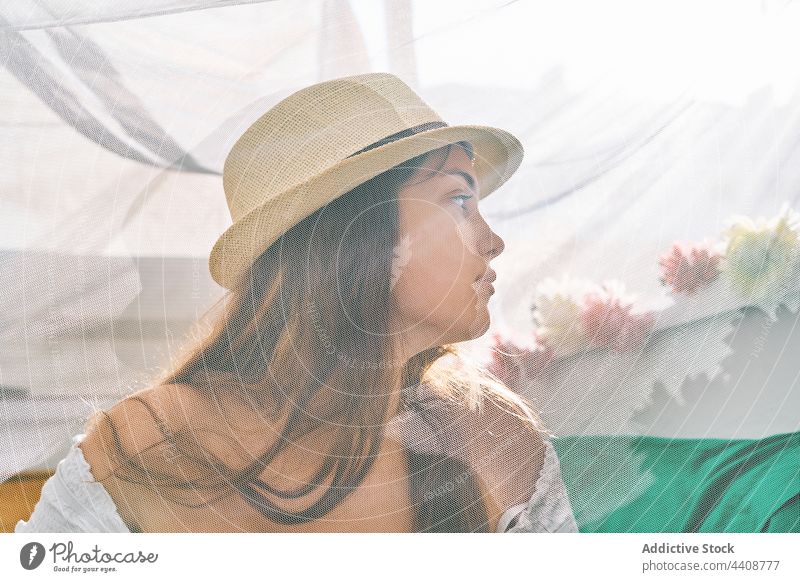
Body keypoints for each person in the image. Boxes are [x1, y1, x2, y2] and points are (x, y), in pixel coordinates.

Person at [16, 72, 578, 533]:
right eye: (459, 199)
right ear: (354, 234)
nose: (492, 240)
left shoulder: (498, 435)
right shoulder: (146, 447)